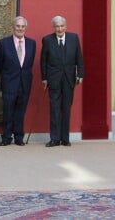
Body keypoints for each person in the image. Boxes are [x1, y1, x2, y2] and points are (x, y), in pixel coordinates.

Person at [40, 15, 84, 147]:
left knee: (66, 109)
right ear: (53, 27)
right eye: (57, 26)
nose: (59, 29)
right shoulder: (47, 40)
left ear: (66, 26)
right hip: (53, 79)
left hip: (69, 79)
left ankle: (65, 138)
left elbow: (79, 58)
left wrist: (80, 74)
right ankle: (54, 138)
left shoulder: (74, 38)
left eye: (62, 26)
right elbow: (43, 61)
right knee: (54, 109)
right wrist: (44, 78)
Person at [0, 16, 36, 146]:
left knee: (21, 111)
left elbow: (28, 64)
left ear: (26, 28)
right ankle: (6, 137)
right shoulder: (3, 43)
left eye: (23, 26)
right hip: (9, 82)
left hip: (25, 83)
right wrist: (7, 77)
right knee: (8, 111)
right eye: (18, 26)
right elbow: (0, 65)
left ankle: (19, 137)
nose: (20, 28)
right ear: (13, 27)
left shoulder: (32, 43)